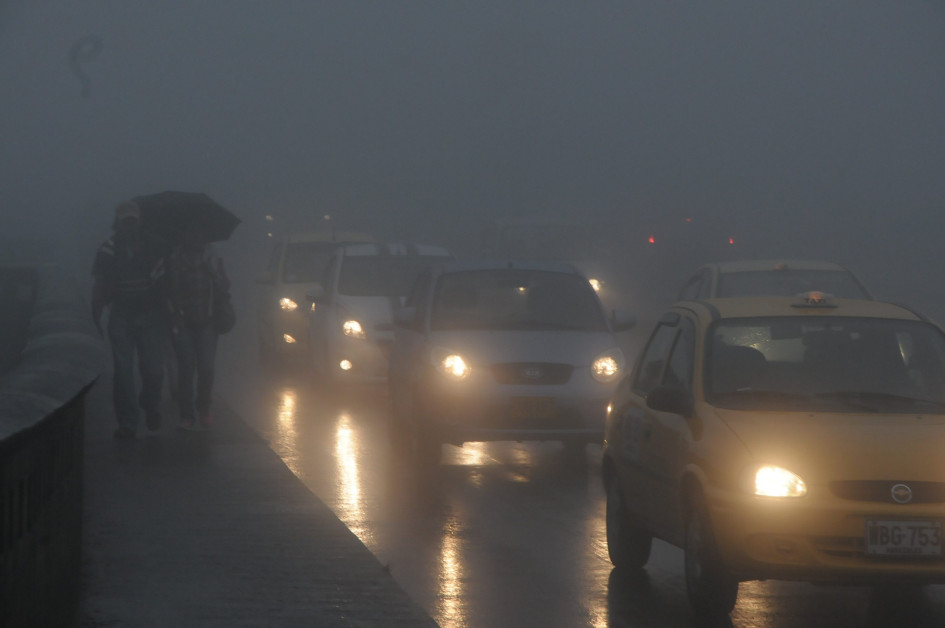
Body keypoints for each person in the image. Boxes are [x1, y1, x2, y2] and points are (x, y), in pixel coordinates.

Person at [91, 200, 168, 439]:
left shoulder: (154, 247)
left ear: (139, 222)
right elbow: (100, 287)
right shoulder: (108, 250)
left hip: (150, 314)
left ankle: (150, 403)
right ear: (118, 224)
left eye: (133, 221)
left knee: (154, 369)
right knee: (123, 372)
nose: (129, 226)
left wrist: (171, 314)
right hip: (121, 314)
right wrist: (95, 317)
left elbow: (165, 283)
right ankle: (127, 423)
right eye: (125, 222)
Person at [166, 223, 229, 430]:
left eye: (199, 233)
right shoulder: (174, 258)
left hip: (208, 321)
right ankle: (186, 415)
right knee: (186, 369)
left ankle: (204, 408)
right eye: (191, 233)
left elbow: (225, 285)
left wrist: (214, 272)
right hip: (183, 321)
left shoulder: (212, 257)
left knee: (206, 368)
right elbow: (168, 288)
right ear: (183, 236)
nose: (196, 237)